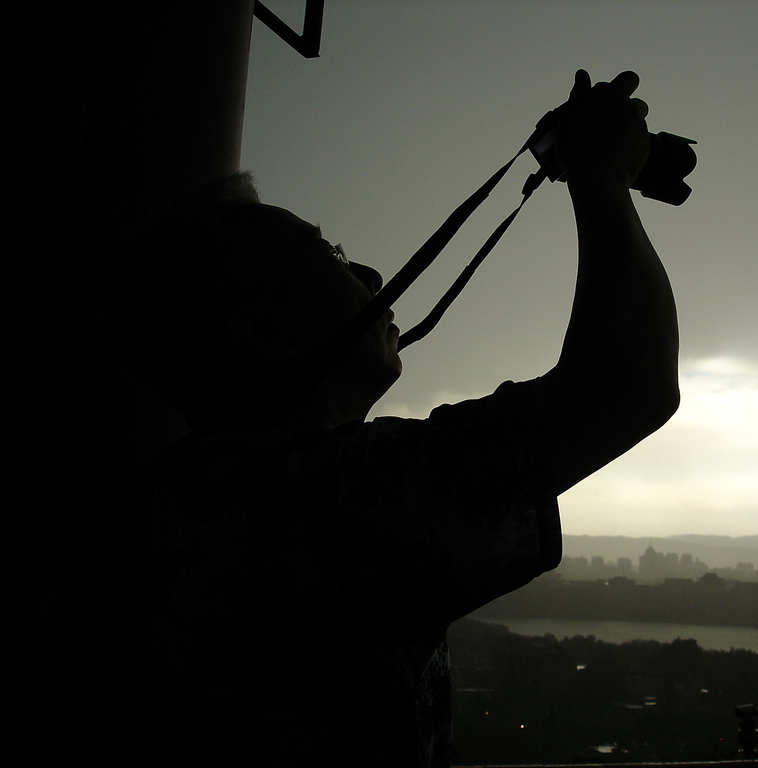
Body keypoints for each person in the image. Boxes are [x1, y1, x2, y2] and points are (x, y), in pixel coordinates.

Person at [110, 70, 680, 767]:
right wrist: (600, 174)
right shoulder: (307, 503)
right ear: (259, 330)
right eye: (330, 255)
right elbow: (627, 386)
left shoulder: (195, 499)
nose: (373, 276)